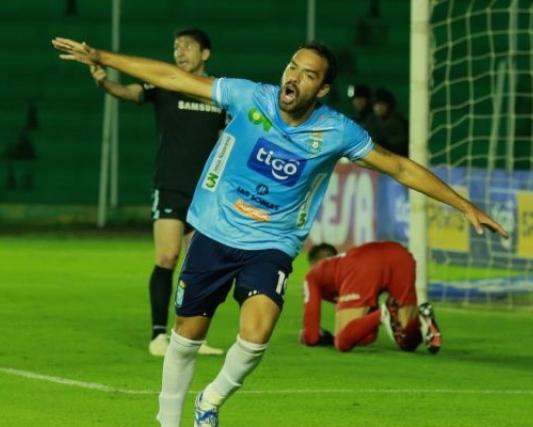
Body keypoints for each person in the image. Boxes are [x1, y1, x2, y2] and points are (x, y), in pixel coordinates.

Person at [52, 36, 508, 427]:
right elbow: (172, 77)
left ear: (322, 88)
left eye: (308, 75)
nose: (294, 77)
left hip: (270, 244)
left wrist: (464, 205)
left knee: (257, 334)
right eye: (293, 67)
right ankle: (168, 421)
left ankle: (210, 401)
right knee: (187, 336)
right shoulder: (250, 97)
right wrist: (102, 56)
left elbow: (399, 167)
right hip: (214, 230)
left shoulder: (336, 131)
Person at [89, 28, 226, 357]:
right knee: (167, 256)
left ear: (205, 53)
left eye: (188, 46)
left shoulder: (219, 92)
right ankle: (158, 335)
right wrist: (104, 82)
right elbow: (128, 92)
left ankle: (191, 337)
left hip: (205, 193)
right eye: (176, 46)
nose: (180, 52)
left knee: (199, 267)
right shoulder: (164, 83)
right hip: (170, 186)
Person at [300, 241, 442, 354]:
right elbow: (369, 337)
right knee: (407, 341)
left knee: (341, 341)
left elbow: (311, 337)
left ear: (313, 264)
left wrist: (309, 337)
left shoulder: (313, 275)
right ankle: (422, 318)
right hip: (399, 254)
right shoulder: (342, 263)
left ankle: (384, 313)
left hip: (362, 264)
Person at [364, 88, 409, 157]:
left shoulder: (398, 121)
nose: (378, 108)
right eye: (375, 104)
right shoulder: (370, 120)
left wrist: (384, 144)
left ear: (389, 105)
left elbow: (401, 145)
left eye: (382, 104)